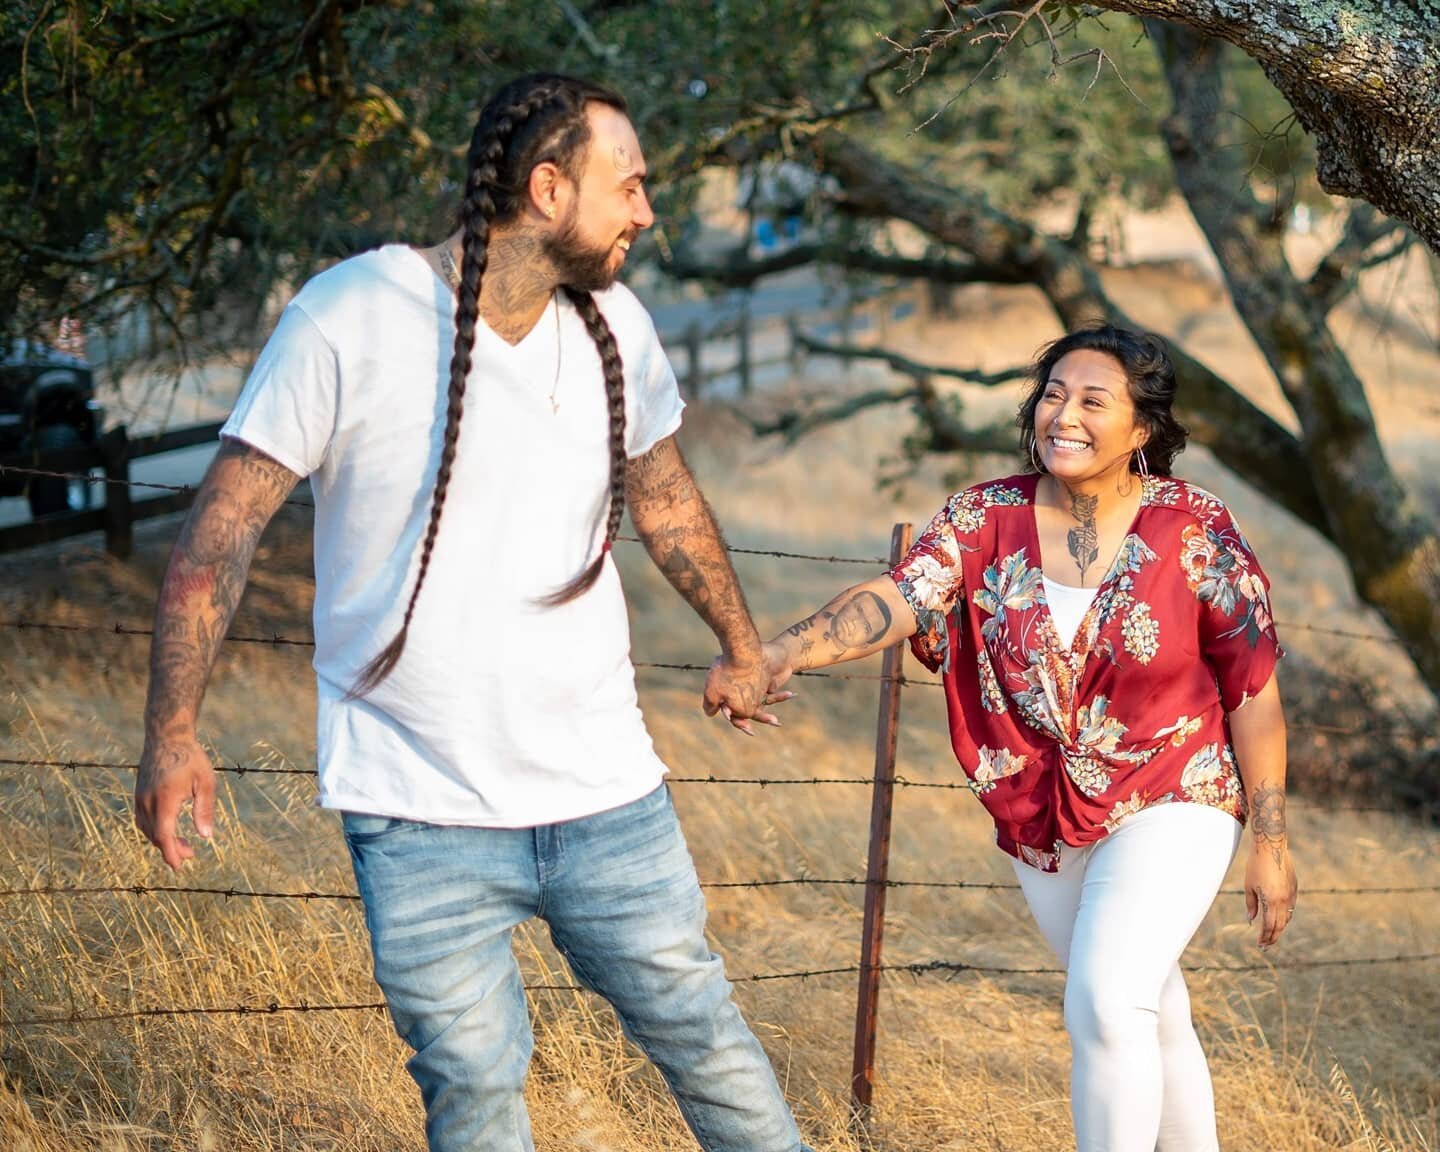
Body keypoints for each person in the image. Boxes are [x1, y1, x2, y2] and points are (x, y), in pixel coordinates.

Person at [134, 73, 813, 1152]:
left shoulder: (619, 326)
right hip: (415, 806)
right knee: (474, 1086)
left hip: (605, 797)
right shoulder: (350, 313)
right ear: (549, 188)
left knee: (707, 1043)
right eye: (627, 187)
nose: (646, 213)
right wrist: (171, 734)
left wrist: (741, 646)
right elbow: (223, 528)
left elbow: (667, 497)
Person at [739, 323, 1298, 1152]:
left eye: (1093, 400)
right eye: (1053, 394)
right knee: (1145, 1005)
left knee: (1108, 1002)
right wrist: (777, 652)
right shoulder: (983, 518)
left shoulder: (1193, 529)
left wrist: (1271, 837)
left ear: (1141, 431)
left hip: (1176, 791)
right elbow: (896, 601)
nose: (1063, 414)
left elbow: (1253, 694)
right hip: (1040, 810)